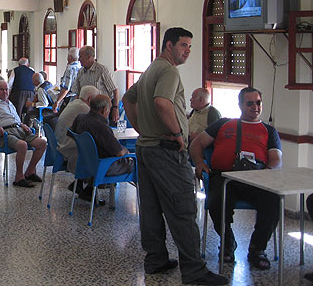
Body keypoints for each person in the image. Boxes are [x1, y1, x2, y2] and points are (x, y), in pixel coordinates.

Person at [122, 27, 227, 285]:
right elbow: (161, 102)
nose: (187, 51)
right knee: (183, 209)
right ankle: (194, 271)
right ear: (168, 45)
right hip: (166, 150)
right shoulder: (168, 70)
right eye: (183, 45)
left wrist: (140, 128)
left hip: (146, 148)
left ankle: (156, 259)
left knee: (151, 208)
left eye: (190, 46)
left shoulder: (151, 70)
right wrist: (178, 133)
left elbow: (127, 98)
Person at [190, 87, 282, 270]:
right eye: (250, 103)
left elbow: (276, 159)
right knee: (217, 201)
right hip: (224, 177)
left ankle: (257, 248)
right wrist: (199, 163)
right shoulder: (223, 124)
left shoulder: (269, 131)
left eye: (258, 103)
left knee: (273, 202)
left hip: (256, 179)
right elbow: (197, 144)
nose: (255, 107)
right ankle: (228, 242)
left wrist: (268, 173)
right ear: (240, 105)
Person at [0, 80, 47, 188]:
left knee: (42, 143)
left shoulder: (10, 103)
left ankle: (30, 172)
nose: (5, 92)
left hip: (18, 129)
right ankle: (19, 177)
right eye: (2, 89)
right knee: (22, 145)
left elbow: (15, 119)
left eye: (6, 89)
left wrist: (22, 124)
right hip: (4, 133)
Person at [70, 94, 134, 203]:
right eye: (109, 109)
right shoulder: (102, 128)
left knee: (100, 155)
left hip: (85, 162)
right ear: (104, 109)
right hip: (102, 166)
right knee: (137, 163)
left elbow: (71, 133)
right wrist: (127, 151)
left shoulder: (80, 118)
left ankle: (89, 190)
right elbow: (119, 152)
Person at [55, 85, 99, 175]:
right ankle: (97, 179)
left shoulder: (73, 103)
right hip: (69, 147)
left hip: (60, 143)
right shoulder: (85, 109)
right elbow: (97, 128)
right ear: (90, 99)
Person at [70, 46, 119, 123]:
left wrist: (115, 108)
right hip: (85, 110)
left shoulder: (102, 70)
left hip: (101, 111)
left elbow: (114, 90)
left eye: (81, 57)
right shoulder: (80, 72)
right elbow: (77, 93)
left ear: (89, 57)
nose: (79, 59)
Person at [53, 48, 81, 112]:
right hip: (78, 97)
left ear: (70, 57)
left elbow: (66, 88)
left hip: (70, 98)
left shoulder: (70, 68)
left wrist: (57, 101)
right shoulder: (80, 66)